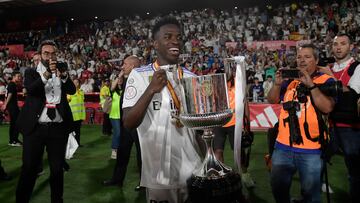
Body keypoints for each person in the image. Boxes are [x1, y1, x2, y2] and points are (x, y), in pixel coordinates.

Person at [122, 17, 201, 203]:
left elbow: (199, 128)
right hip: (159, 174)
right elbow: (128, 123)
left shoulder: (192, 77)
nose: (175, 41)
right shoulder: (139, 76)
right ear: (155, 44)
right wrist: (151, 90)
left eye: (178, 37)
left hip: (194, 171)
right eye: (168, 37)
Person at [267, 44, 337, 203]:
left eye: (307, 57)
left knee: (311, 194)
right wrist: (277, 84)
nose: (302, 60)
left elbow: (327, 107)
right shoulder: (290, 82)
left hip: (311, 149)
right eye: (299, 57)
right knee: (278, 187)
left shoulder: (326, 80)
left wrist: (311, 85)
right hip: (283, 147)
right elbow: (272, 100)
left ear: (316, 60)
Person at [16, 40, 76, 203]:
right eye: (46, 53)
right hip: (35, 129)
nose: (50, 56)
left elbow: (72, 90)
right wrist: (47, 74)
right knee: (29, 169)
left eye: (53, 53)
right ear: (40, 55)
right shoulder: (31, 72)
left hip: (57, 128)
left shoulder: (61, 70)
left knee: (57, 170)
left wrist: (63, 76)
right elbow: (32, 90)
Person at [320, 34, 360, 202]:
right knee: (318, 157)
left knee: (354, 167)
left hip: (349, 126)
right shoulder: (328, 67)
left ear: (351, 47)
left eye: (343, 44)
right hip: (328, 124)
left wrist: (330, 76)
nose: (338, 47)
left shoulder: (356, 67)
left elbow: (352, 96)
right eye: (335, 44)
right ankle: (317, 184)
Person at [102, 55, 143, 191]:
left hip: (138, 124)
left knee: (141, 154)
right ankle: (117, 179)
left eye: (125, 64)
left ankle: (144, 183)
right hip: (126, 124)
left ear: (132, 66)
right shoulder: (127, 79)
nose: (122, 67)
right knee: (122, 152)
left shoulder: (141, 79)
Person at [1, 71, 22, 146]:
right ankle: (13, 140)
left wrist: (5, 104)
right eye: (18, 76)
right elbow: (9, 95)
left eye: (20, 76)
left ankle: (13, 140)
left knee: (14, 124)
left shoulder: (11, 84)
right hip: (12, 107)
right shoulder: (12, 84)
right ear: (13, 76)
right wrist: (5, 104)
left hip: (12, 106)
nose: (20, 78)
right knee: (16, 123)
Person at [68, 78, 86, 146]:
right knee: (72, 131)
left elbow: (82, 103)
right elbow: (67, 101)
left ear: (79, 84)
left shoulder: (81, 92)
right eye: (74, 82)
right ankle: (72, 145)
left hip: (79, 115)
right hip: (72, 115)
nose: (75, 84)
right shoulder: (70, 91)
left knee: (78, 131)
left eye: (77, 82)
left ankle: (78, 143)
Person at [109, 75, 122, 159]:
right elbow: (112, 86)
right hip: (114, 115)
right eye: (118, 80)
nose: (120, 81)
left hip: (123, 115)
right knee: (117, 133)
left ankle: (120, 150)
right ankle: (114, 150)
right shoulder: (113, 91)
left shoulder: (125, 90)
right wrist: (119, 77)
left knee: (122, 134)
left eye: (121, 79)